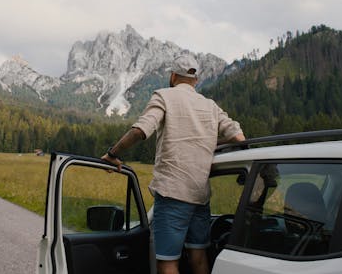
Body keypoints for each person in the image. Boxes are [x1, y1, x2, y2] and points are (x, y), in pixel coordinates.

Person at [101, 54, 245, 274]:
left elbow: (141, 130)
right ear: (195, 80)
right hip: (200, 197)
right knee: (198, 257)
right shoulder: (211, 106)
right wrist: (207, 142)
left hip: (173, 195)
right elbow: (238, 137)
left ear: (173, 75)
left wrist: (112, 153)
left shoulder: (164, 96)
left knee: (168, 262)